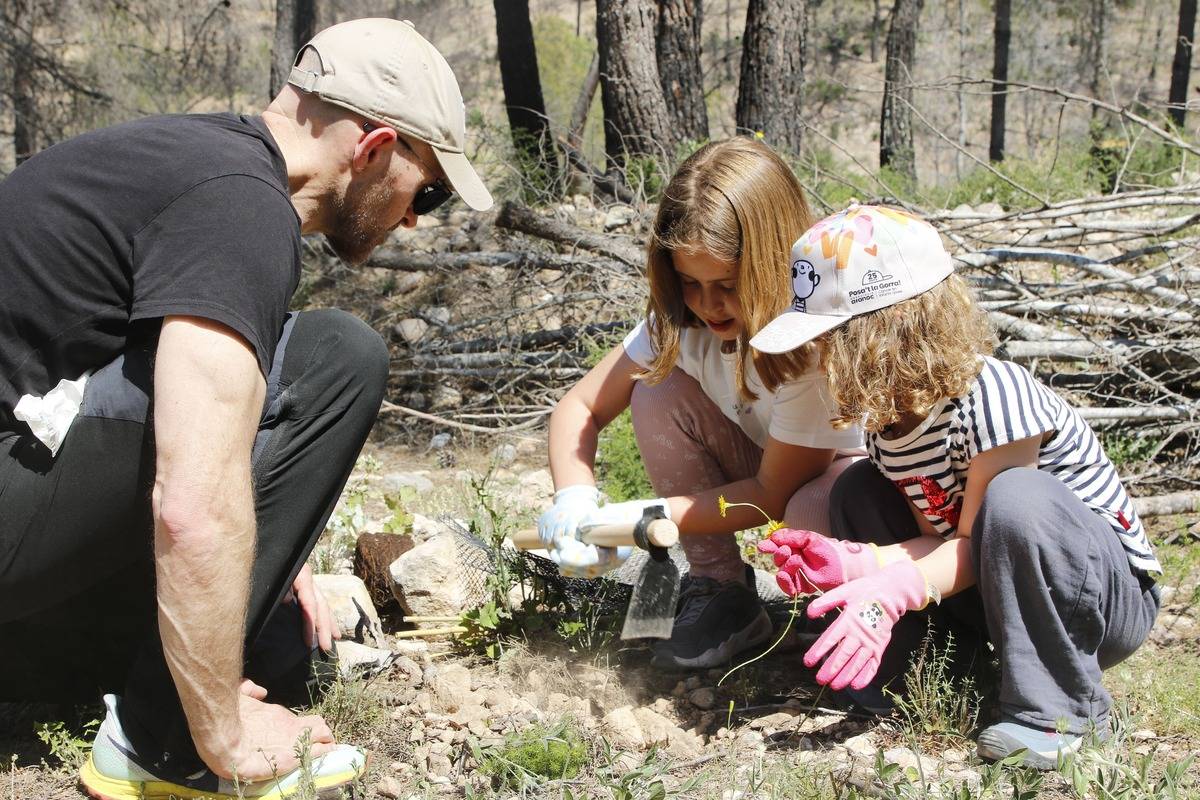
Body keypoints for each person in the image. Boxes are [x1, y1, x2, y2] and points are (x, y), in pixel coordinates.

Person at [0, 18, 492, 799]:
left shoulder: (197, 160)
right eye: (422, 188)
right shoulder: (241, 209)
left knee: (273, 649)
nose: (413, 219)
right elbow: (191, 505)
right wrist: (218, 727)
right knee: (339, 356)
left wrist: (261, 539)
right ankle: (163, 748)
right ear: (372, 149)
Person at [750, 205, 1161, 768]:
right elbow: (946, 542)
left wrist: (891, 588)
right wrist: (854, 565)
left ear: (879, 334)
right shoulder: (890, 425)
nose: (818, 360)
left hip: (1099, 600)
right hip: (997, 587)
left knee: (1014, 499)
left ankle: (1064, 711)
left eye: (828, 341)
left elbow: (987, 536)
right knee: (858, 491)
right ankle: (942, 677)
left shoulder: (994, 397)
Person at [537, 138, 864, 670]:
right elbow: (579, 408)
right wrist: (573, 497)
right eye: (689, 282)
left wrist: (641, 517)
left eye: (728, 285)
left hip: (844, 485)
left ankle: (839, 600)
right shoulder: (681, 321)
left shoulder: (809, 339)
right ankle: (718, 587)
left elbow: (772, 498)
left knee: (807, 509)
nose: (708, 305)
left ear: (773, 263)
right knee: (656, 387)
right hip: (769, 463)